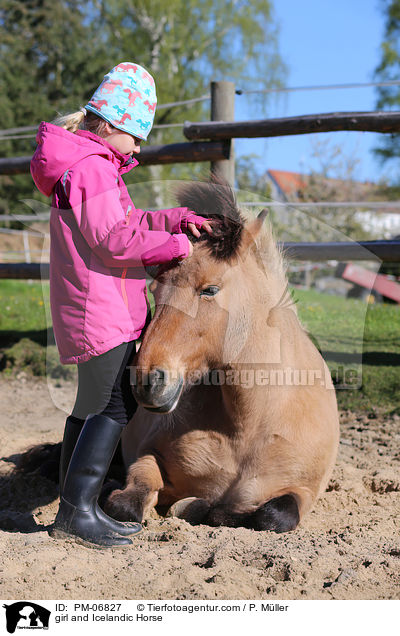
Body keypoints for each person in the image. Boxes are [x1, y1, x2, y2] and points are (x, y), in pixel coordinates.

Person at [30, 62, 212, 548]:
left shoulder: (90, 164)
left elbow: (125, 221)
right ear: (110, 124)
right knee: (112, 405)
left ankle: (77, 505)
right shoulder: (91, 167)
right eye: (135, 135)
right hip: (101, 308)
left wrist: (174, 220)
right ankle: (76, 513)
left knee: (90, 406)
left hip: (96, 304)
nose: (138, 147)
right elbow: (115, 239)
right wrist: (176, 248)